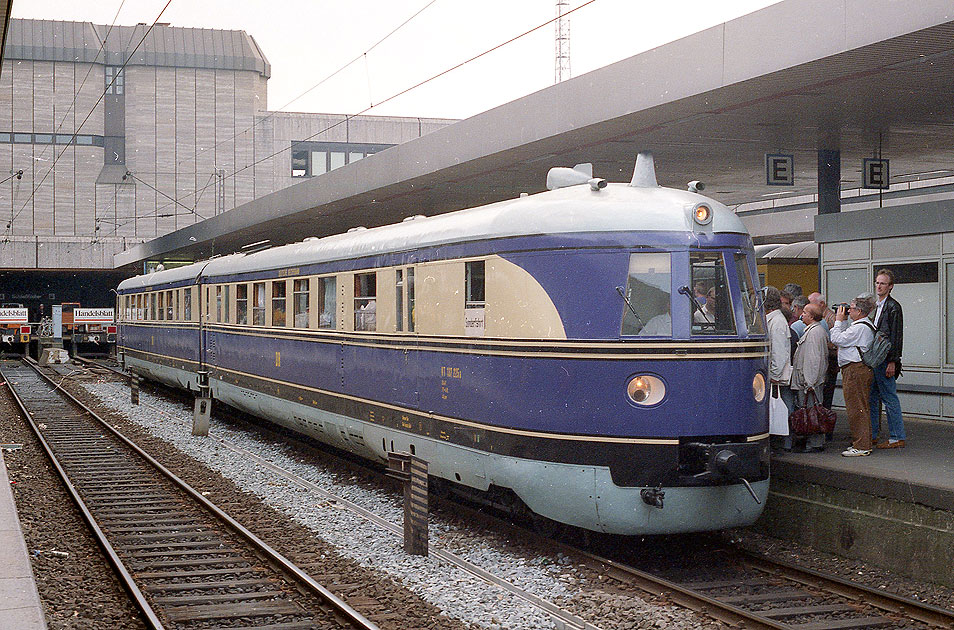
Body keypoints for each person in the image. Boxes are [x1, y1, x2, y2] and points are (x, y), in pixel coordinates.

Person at [829, 295, 876, 456]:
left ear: (860, 311)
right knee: (861, 408)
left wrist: (838, 320)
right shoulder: (861, 325)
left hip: (855, 370)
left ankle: (862, 446)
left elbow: (836, 338)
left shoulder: (860, 327)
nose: (849, 311)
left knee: (856, 409)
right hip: (857, 369)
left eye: (852, 308)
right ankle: (862, 442)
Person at [870, 269, 905, 448]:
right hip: (877, 358)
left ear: (890, 287)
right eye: (877, 282)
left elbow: (896, 335)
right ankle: (873, 434)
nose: (879, 286)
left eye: (883, 283)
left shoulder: (893, 307)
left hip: (885, 358)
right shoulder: (877, 305)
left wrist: (893, 361)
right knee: (874, 396)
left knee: (889, 398)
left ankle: (897, 436)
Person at [790, 303, 829, 452]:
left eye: (805, 312)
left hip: (810, 382)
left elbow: (814, 360)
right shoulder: (816, 331)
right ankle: (814, 442)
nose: (802, 315)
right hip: (810, 380)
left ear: (812, 316)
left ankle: (815, 444)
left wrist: (809, 382)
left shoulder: (813, 333)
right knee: (813, 411)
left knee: (813, 412)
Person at [765, 286, 795, 449]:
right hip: (776, 374)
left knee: (782, 408)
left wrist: (773, 373)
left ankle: (784, 444)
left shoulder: (776, 322)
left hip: (776, 376)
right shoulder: (777, 319)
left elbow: (779, 351)